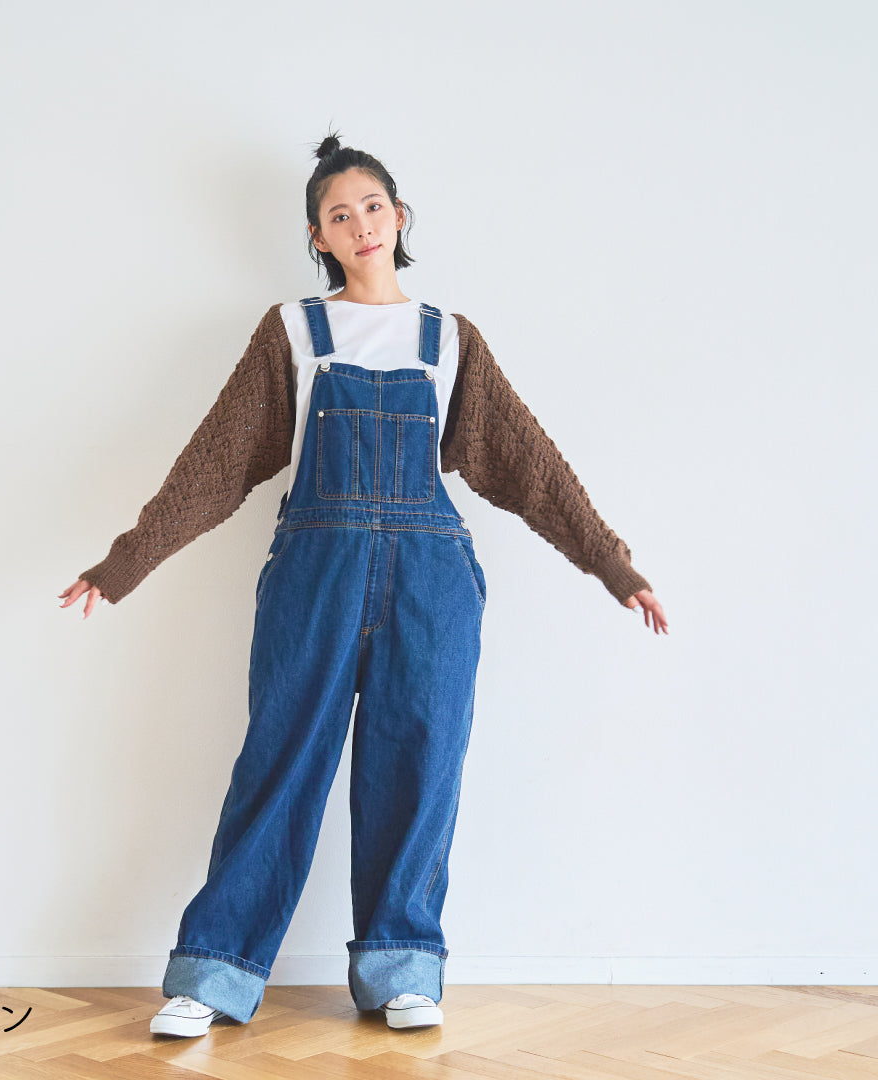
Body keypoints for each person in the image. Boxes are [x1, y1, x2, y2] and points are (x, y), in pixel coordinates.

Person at [59, 130, 669, 1037]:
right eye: (339, 216)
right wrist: (128, 561)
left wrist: (611, 564)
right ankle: (216, 973)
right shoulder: (292, 332)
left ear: (400, 216)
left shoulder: (449, 340)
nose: (361, 225)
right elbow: (217, 464)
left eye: (373, 207)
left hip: (432, 584)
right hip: (316, 577)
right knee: (280, 763)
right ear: (319, 237)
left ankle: (402, 970)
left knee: (419, 766)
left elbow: (529, 468)